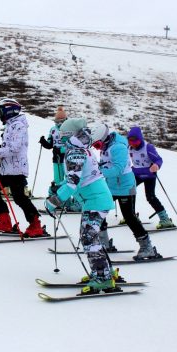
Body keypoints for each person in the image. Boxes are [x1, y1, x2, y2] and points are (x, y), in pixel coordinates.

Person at [44, 118, 120, 294]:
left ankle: (102, 278)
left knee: (88, 237)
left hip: (96, 200)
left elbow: (72, 183)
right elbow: (74, 179)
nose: (59, 138)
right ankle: (103, 272)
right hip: (94, 199)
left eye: (62, 134)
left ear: (70, 135)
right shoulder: (79, 148)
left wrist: (53, 202)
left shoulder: (75, 152)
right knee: (89, 236)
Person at [92, 124, 161, 260]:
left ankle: (147, 247)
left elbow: (118, 169)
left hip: (125, 186)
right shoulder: (106, 146)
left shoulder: (118, 147)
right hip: (110, 185)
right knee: (99, 210)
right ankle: (104, 243)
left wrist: (98, 173)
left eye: (98, 145)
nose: (97, 148)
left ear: (105, 139)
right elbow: (106, 163)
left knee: (129, 216)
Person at [0, 98, 44, 236]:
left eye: (0, 112)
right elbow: (8, 147)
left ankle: (35, 225)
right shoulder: (11, 125)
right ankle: (4, 222)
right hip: (6, 168)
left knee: (19, 198)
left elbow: (15, 148)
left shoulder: (18, 126)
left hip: (16, 169)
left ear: (9, 111)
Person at [127, 126, 176, 229]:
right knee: (129, 192)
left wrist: (156, 166)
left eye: (135, 140)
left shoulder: (148, 147)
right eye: (130, 141)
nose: (133, 143)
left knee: (150, 197)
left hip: (149, 176)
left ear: (140, 139)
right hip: (136, 175)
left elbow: (159, 160)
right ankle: (131, 216)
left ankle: (165, 220)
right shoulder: (129, 148)